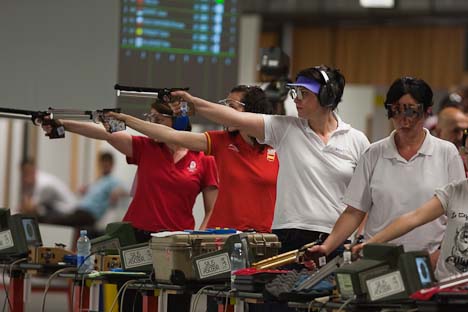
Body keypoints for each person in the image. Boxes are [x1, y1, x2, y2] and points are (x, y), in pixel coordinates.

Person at [170, 65, 370, 253]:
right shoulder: (285, 128)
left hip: (336, 236)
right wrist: (194, 102)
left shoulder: (357, 141)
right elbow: (234, 118)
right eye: (294, 92)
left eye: (303, 93)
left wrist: (360, 237)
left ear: (327, 97)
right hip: (289, 234)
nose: (296, 99)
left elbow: (363, 199)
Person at [309, 77, 465, 260]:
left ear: (426, 112)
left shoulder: (446, 153)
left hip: (428, 260)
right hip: (378, 259)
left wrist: (439, 256)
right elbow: (354, 211)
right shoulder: (373, 154)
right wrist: (327, 246)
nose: (403, 120)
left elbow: (459, 215)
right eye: (396, 111)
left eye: (411, 111)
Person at [42, 100, 219, 242]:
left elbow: (212, 209)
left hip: (176, 239)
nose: (151, 125)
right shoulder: (146, 147)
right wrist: (63, 124)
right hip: (136, 234)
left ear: (179, 122)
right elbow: (105, 133)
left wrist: (200, 239)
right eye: (151, 119)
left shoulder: (204, 159)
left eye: (158, 120)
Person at [108, 85, 278, 232]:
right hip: (224, 237)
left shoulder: (278, 145)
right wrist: (126, 120)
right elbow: (171, 135)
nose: (225, 113)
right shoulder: (222, 141)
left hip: (263, 237)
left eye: (231, 107)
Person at [354, 178, 468, 280]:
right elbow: (414, 218)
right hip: (446, 285)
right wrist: (371, 242)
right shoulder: (454, 191)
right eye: (467, 154)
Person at [44, 152, 128, 232]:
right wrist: (87, 190)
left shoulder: (113, 181)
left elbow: (126, 191)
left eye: (107, 163)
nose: (104, 165)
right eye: (103, 163)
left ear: (112, 165)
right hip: (80, 211)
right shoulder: (98, 181)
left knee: (52, 220)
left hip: (89, 215)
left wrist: (117, 192)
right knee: (52, 213)